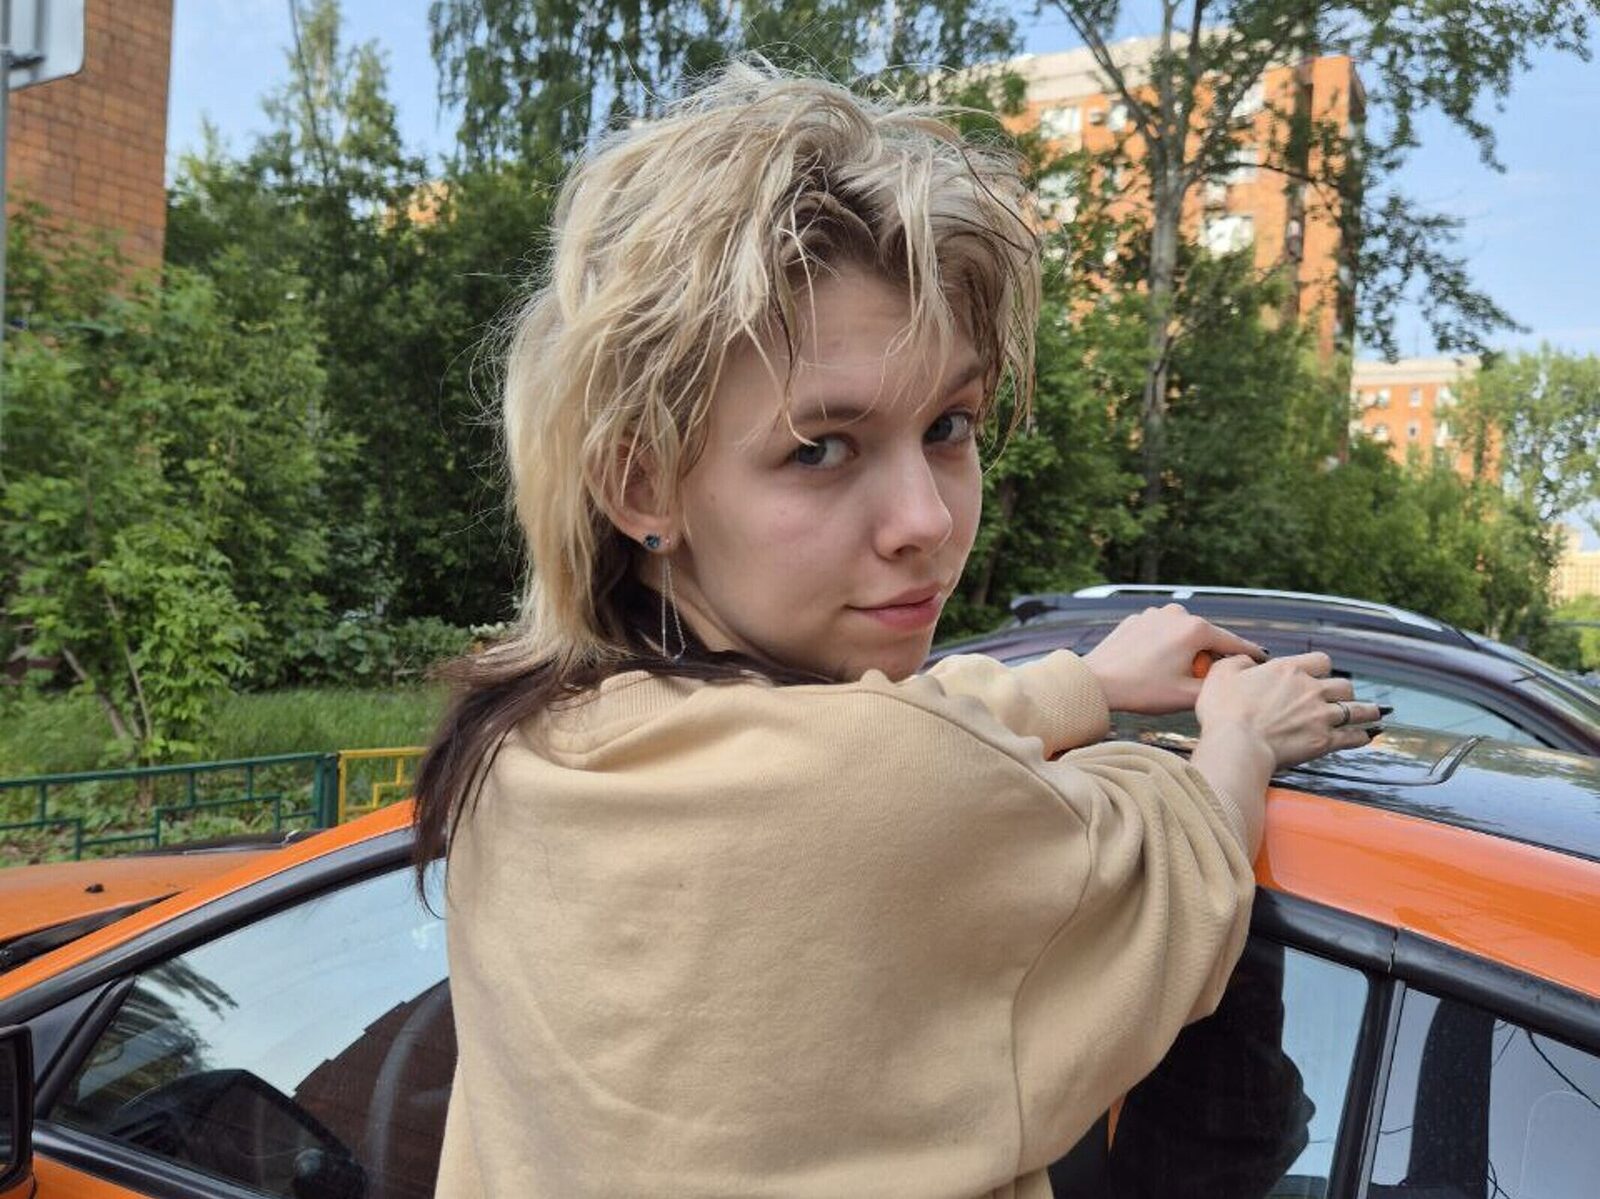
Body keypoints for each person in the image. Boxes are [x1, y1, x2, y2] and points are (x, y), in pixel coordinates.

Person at [414, 59, 1381, 1199]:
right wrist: (1241, 737)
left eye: (949, 425)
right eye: (820, 447)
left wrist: (1081, 679)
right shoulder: (889, 796)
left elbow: (862, 741)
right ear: (642, 483)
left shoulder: (523, 744)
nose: (926, 519)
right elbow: (1174, 867)